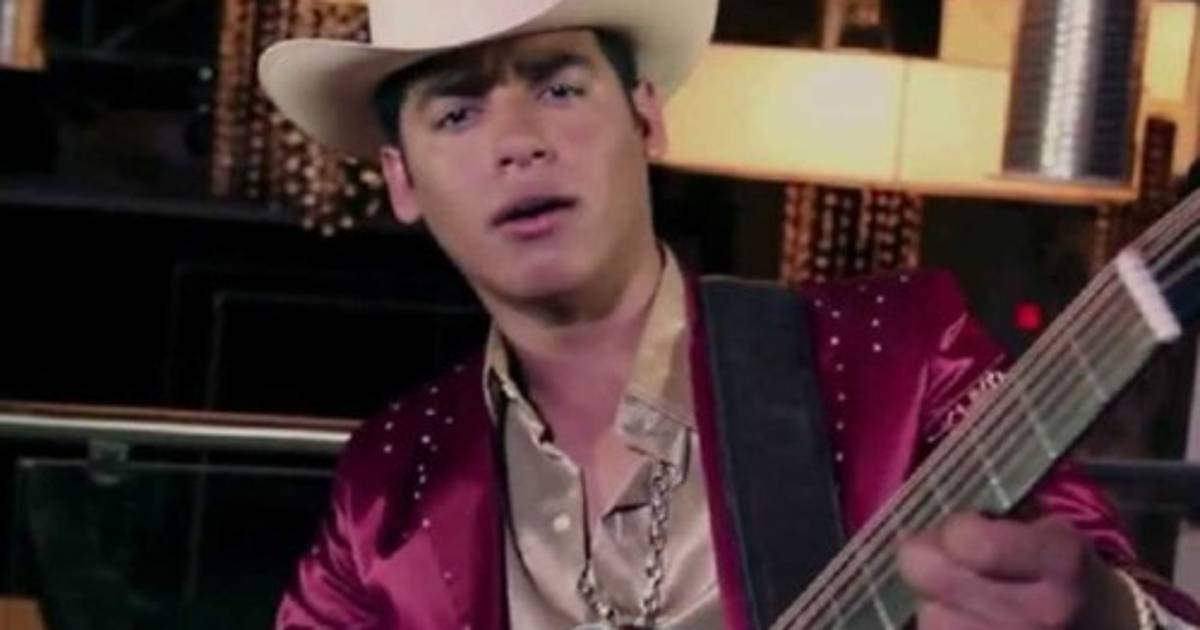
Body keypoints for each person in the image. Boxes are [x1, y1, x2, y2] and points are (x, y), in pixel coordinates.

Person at [258, 0, 1200, 627]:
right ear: (401, 179)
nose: (519, 143)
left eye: (559, 87)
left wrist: (1106, 618)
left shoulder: (898, 352)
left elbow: (1134, 595)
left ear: (647, 118)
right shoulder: (390, 481)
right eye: (457, 115)